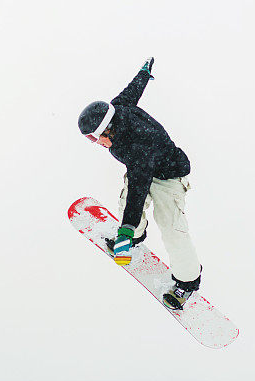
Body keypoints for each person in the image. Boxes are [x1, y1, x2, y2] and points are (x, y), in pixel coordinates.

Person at [77, 57, 202, 310]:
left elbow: (138, 189)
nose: (95, 143)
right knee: (127, 206)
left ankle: (187, 282)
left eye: (94, 138)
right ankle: (134, 235)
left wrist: (124, 227)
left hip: (169, 177)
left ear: (108, 130)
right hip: (143, 170)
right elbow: (131, 91)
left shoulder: (139, 148)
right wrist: (143, 74)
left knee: (171, 227)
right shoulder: (118, 109)